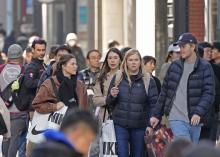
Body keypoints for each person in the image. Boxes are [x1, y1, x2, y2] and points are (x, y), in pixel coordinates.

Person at [150, 33, 215, 144]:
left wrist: (198, 112)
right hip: (176, 117)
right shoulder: (174, 66)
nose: (181, 50)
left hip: (195, 118)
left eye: (183, 46)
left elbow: (209, 93)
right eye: (180, 47)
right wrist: (156, 115)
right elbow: (165, 92)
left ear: (193, 47)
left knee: (191, 151)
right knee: (185, 148)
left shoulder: (205, 67)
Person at [106, 49, 158, 157]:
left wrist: (150, 125)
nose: (133, 62)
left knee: (137, 154)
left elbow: (154, 104)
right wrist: (112, 95)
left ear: (140, 62)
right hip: (120, 124)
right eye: (130, 60)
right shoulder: (118, 76)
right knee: (122, 154)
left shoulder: (148, 79)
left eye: (136, 60)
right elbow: (109, 102)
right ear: (125, 62)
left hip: (140, 125)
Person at [30, 109, 99, 157]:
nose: (87, 150)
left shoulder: (42, 148)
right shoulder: (64, 154)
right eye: (88, 142)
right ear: (78, 133)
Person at [0, 44, 29, 157]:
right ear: (21, 56)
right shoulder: (25, 70)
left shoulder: (1, 69)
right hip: (19, 111)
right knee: (14, 138)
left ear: (8, 55)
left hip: (3, 112)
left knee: (6, 138)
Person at [25, 38, 47, 156]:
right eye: (38, 50)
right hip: (35, 108)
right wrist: (44, 83)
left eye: (43, 50)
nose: (41, 52)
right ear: (33, 50)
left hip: (43, 107)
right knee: (35, 138)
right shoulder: (32, 66)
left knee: (41, 138)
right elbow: (28, 83)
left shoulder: (42, 64)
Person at [198, 42, 220, 142]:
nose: (210, 54)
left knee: (209, 142)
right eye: (207, 51)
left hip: (212, 112)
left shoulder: (216, 68)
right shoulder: (193, 68)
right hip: (196, 113)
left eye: (211, 51)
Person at [93, 48, 122, 119]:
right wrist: (108, 99)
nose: (112, 61)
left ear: (120, 60)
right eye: (110, 58)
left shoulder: (125, 76)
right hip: (106, 117)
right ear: (107, 60)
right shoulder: (101, 77)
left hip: (123, 116)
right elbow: (96, 100)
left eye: (115, 58)